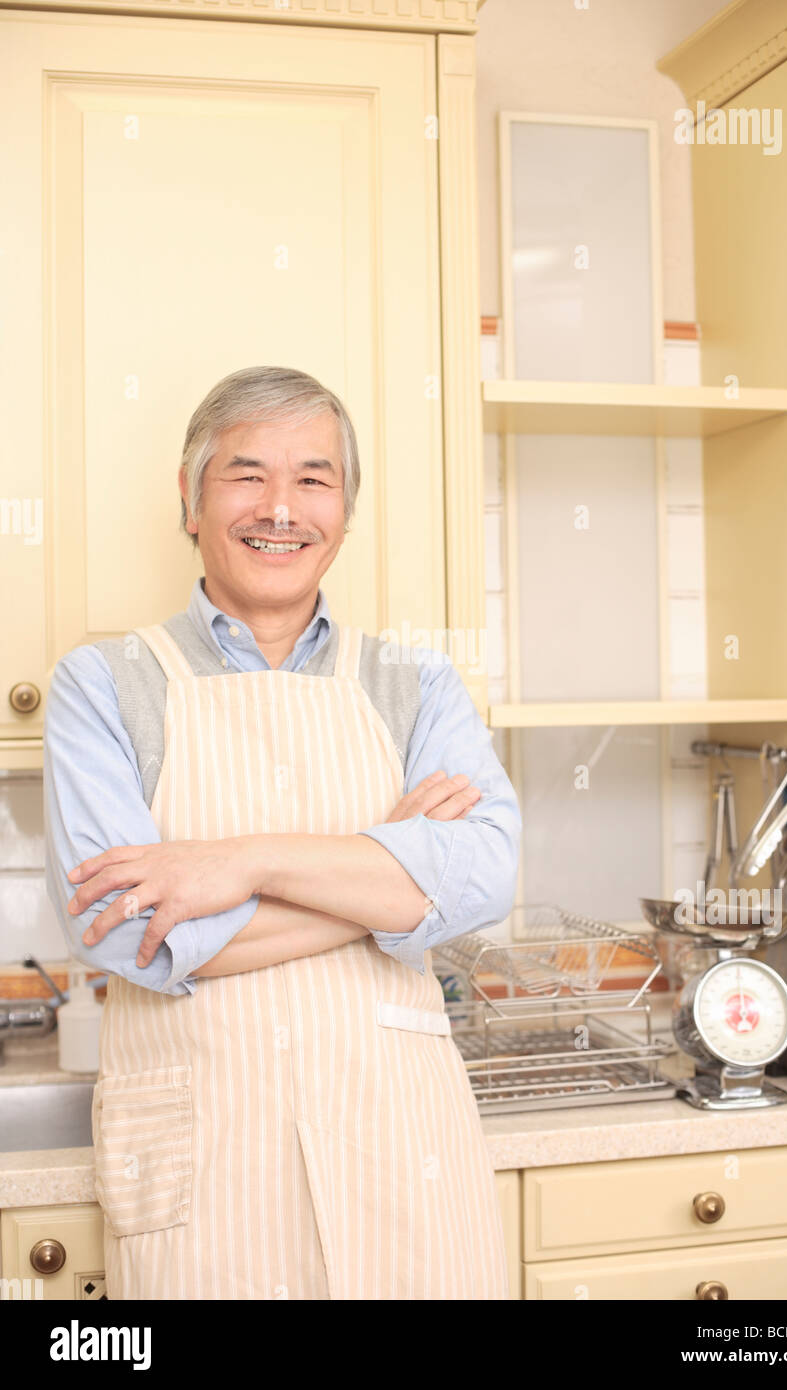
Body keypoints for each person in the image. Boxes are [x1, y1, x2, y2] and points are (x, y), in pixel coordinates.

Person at [43, 364, 522, 1300]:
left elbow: (484, 875)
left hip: (405, 1155)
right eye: (245, 473)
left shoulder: (417, 683)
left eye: (314, 479)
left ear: (345, 510)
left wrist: (236, 864)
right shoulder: (102, 684)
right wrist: (389, 864)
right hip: (206, 1166)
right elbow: (139, 936)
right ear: (190, 498)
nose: (281, 508)